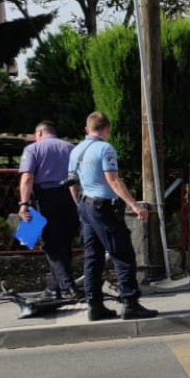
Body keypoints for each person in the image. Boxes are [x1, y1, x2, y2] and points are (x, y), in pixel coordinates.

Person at [68, 111, 158, 321]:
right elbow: (114, 180)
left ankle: (95, 305)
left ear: (86, 129)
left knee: (93, 257)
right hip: (103, 207)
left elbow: (72, 183)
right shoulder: (105, 149)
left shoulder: (76, 150)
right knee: (122, 254)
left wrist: (79, 207)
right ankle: (130, 302)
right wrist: (135, 206)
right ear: (107, 129)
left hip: (85, 205)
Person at [17, 122, 80, 297]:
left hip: (45, 198)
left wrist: (23, 203)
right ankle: (53, 288)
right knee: (64, 244)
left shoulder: (33, 149)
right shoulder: (71, 148)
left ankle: (69, 285)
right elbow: (75, 177)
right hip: (69, 197)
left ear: (39, 133)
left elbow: (28, 177)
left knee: (50, 245)